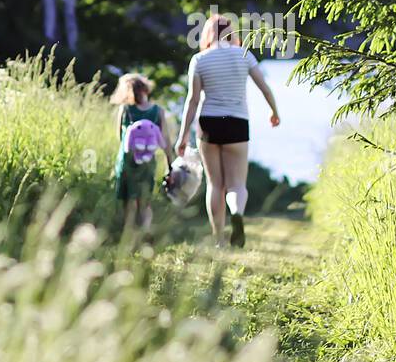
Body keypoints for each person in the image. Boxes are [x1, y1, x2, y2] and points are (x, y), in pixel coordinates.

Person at [176, 14, 280, 246]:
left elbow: (192, 100)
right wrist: (274, 112)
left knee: (215, 184)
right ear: (231, 32)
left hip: (209, 123)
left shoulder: (200, 59)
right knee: (236, 184)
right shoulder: (244, 55)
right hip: (237, 122)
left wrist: (183, 136)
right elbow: (264, 87)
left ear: (208, 34)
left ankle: (218, 240)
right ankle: (237, 213)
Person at [111, 73, 172, 232]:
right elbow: (165, 140)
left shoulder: (125, 110)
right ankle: (144, 230)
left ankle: (128, 233)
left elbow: (120, 137)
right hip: (148, 161)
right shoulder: (158, 111)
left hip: (127, 160)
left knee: (127, 198)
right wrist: (170, 164)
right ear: (145, 89)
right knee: (144, 199)